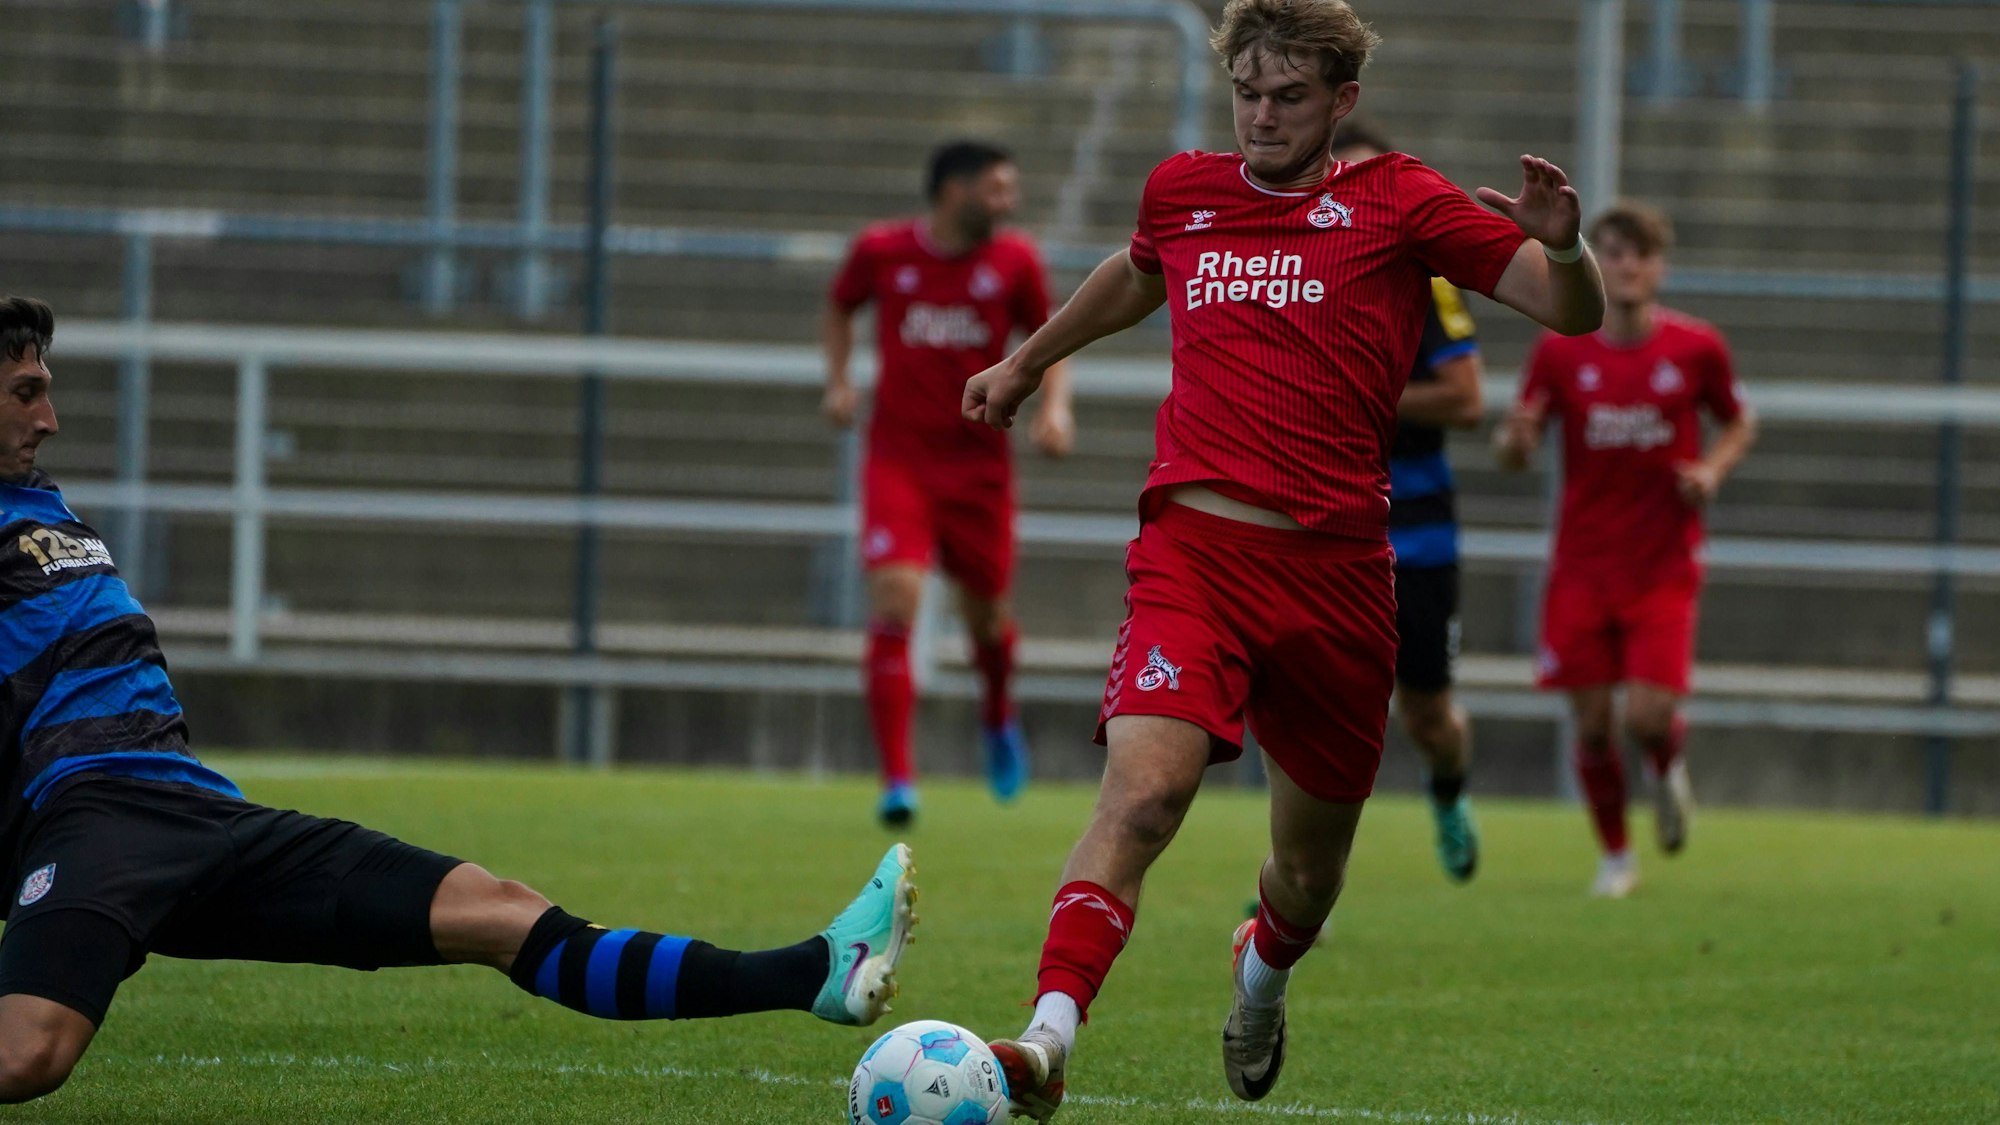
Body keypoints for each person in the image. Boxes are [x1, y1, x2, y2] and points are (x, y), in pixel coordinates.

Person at [0, 296, 917, 1104]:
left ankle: (809, 972)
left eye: (47, 388)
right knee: (31, 1053)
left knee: (499, 907)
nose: (51, 416)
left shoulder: (40, 503)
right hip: (94, 817)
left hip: (197, 812)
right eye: (26, 392)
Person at [959, 0, 1605, 1114]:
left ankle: (1260, 973)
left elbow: (1570, 312)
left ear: (1341, 101)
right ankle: (1044, 1039)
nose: (1262, 116)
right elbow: (1137, 271)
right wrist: (1026, 362)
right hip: (1194, 557)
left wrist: (1564, 244)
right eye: (1246, 93)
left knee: (1306, 875)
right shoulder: (1183, 191)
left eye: (1289, 97)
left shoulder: (1399, 198)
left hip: (1338, 578)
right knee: (1144, 796)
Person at [1495, 202, 1756, 899]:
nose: (1627, 265)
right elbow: (1515, 448)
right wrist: (1514, 442)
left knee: (1645, 716)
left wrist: (1711, 471)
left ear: (1659, 266)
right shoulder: (1560, 350)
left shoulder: (1696, 347)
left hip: (1663, 564)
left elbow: (1738, 422)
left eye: (1641, 254)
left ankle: (1666, 763)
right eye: (1613, 253)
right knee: (1591, 726)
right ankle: (1616, 856)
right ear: (1595, 263)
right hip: (1582, 566)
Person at [823, 140, 1075, 827]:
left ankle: (996, 713)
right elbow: (841, 306)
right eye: (997, 189)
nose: (1008, 202)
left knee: (986, 618)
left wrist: (1055, 409)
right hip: (899, 460)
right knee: (896, 597)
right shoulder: (881, 251)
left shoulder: (1016, 261)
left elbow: (1049, 339)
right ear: (953, 191)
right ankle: (897, 779)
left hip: (980, 467)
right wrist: (839, 381)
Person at [1332, 121, 1485, 883]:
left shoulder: (1427, 280)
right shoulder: (1296, 272)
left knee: (1426, 714)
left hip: (1416, 530)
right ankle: (1294, 882)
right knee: (1317, 712)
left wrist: (1356, 394)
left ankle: (1449, 791)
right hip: (1325, 521)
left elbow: (1466, 398)